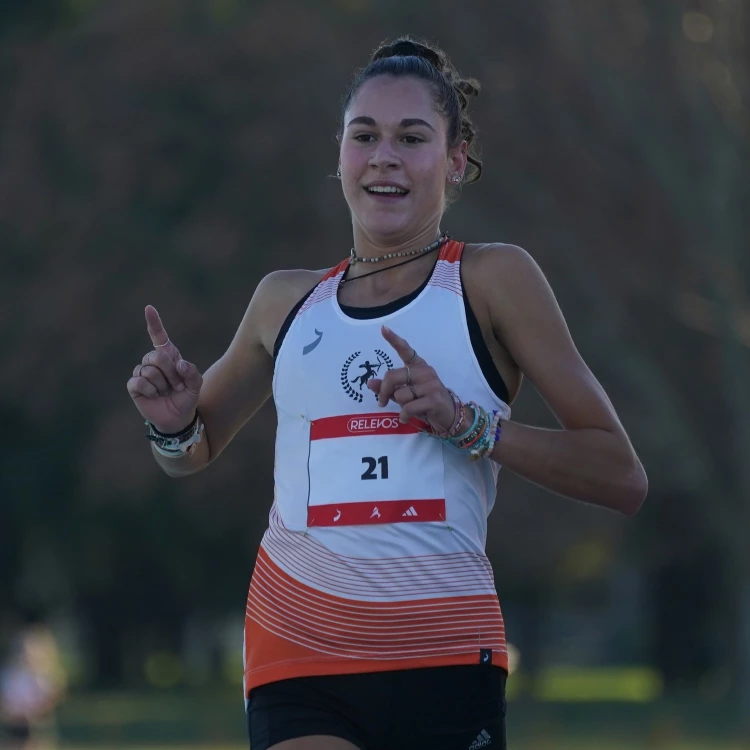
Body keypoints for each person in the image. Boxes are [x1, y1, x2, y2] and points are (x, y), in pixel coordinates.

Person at [126, 36, 648, 750]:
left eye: (413, 137)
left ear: (456, 159)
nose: (385, 157)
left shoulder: (493, 281)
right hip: (296, 641)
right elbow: (188, 454)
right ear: (338, 154)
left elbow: (620, 475)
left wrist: (469, 424)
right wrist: (172, 423)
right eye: (364, 136)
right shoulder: (285, 301)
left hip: (445, 650)